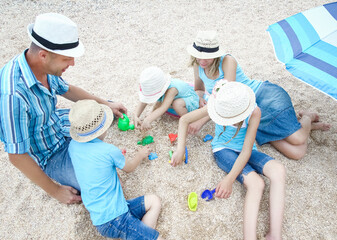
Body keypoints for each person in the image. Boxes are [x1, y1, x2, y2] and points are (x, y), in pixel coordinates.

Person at [0, 13, 127, 204]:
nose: (73, 63)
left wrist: (105, 104)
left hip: (60, 123)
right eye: (67, 59)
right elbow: (17, 155)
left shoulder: (42, 66)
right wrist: (56, 191)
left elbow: (68, 90)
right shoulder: (13, 95)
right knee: (106, 184)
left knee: (103, 116)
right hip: (49, 153)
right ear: (43, 55)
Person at [186, 31, 330, 160]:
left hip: (264, 97)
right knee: (297, 153)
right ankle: (301, 127)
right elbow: (199, 88)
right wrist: (199, 97)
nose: (202, 61)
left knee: (298, 139)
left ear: (215, 54)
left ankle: (307, 117)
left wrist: (199, 121)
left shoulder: (227, 60)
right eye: (199, 57)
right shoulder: (198, 65)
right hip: (248, 112)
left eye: (207, 57)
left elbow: (226, 96)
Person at [171, 81, 285, 240]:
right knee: (257, 184)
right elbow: (184, 120)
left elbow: (246, 150)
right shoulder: (217, 105)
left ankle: (275, 234)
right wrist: (180, 149)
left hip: (247, 150)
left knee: (278, 170)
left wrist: (228, 179)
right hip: (223, 149)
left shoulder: (254, 111)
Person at [68, 100, 164, 240]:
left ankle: (139, 233)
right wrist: (140, 155)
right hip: (115, 219)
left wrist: (112, 159)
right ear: (103, 127)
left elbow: (93, 166)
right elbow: (129, 168)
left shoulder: (73, 146)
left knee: (154, 201)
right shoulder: (108, 151)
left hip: (107, 214)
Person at [134, 66, 199, 131]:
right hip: (177, 97)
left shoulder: (172, 89)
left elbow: (163, 108)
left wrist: (148, 120)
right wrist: (136, 115)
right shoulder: (159, 86)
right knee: (160, 103)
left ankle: (189, 119)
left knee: (177, 104)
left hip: (189, 98)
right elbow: (143, 101)